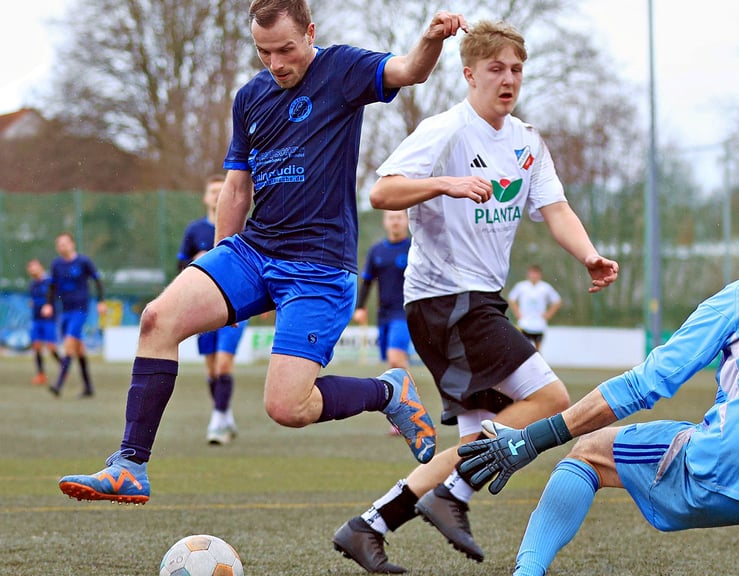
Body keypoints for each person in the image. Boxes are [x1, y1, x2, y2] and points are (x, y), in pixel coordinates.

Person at [57, 0, 470, 505]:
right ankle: (129, 466)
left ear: (310, 33)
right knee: (157, 320)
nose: (275, 63)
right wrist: (216, 272)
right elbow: (236, 189)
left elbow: (409, 70)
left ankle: (388, 392)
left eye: (285, 49)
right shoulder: (250, 97)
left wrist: (431, 39)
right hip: (253, 251)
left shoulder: (342, 69)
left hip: (318, 267)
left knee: (286, 407)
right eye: (263, 51)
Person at [458, 195, 739, 576]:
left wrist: (532, 439)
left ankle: (527, 571)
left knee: (588, 452)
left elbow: (646, 384)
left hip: (728, 473)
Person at [332, 20, 619, 574]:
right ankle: (453, 495)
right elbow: (382, 191)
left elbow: (555, 208)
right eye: (496, 69)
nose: (508, 79)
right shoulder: (447, 130)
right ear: (469, 74)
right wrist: (446, 183)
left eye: (516, 69)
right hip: (445, 301)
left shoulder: (527, 142)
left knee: (478, 443)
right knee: (552, 398)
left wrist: (589, 255)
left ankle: (369, 526)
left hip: (477, 301)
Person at [178, 174, 249, 445]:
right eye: (213, 191)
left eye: (222, 190)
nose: (218, 195)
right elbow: (181, 266)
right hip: (204, 309)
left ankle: (217, 423)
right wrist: (194, 263)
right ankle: (224, 414)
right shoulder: (194, 230)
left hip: (237, 307)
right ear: (205, 198)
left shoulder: (242, 228)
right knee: (211, 370)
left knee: (223, 364)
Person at [42, 232, 106, 398]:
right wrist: (48, 304)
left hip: (80, 310)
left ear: (72, 244)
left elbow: (97, 280)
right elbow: (52, 287)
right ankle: (88, 387)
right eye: (59, 244)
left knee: (69, 343)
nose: (61, 247)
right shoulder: (56, 265)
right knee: (79, 349)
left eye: (64, 243)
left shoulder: (83, 262)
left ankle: (58, 385)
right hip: (65, 311)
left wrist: (101, 301)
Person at [353, 210, 414, 371]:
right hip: (384, 314)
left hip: (405, 312)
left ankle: (407, 387)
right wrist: (360, 307)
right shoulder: (376, 250)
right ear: (385, 222)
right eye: (391, 218)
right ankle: (405, 386)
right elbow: (367, 282)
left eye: (399, 218)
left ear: (407, 221)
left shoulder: (414, 249)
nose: (395, 221)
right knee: (392, 363)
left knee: (395, 359)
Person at [508, 264, 561, 351]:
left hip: (539, 324)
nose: (534, 276)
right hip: (524, 323)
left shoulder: (545, 287)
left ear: (540, 275)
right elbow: (511, 299)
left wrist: (549, 314)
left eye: (536, 273)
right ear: (528, 274)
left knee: (537, 350)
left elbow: (557, 301)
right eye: (532, 273)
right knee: (524, 348)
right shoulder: (521, 286)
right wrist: (517, 312)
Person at [26, 258, 62, 386]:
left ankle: (64, 367)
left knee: (51, 347)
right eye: (30, 267)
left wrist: (50, 306)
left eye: (34, 266)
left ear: (40, 267)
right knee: (36, 346)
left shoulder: (49, 282)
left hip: (49, 320)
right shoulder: (32, 284)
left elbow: (56, 297)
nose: (32, 269)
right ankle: (41, 375)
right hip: (36, 319)